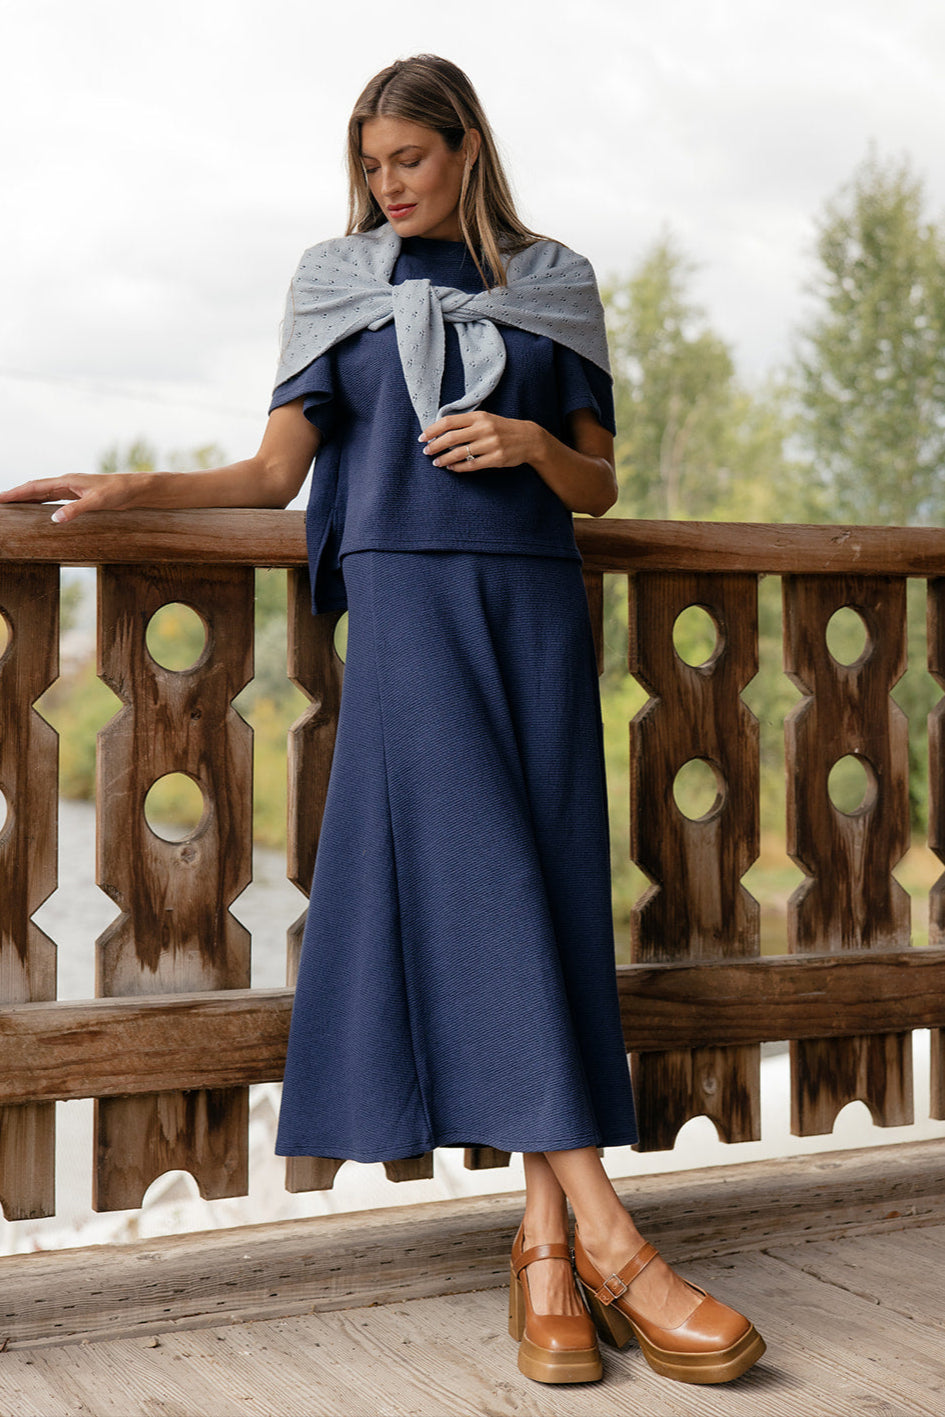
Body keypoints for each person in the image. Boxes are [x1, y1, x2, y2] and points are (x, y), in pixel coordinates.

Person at [0, 55, 764, 1388]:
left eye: (407, 158)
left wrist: (530, 447)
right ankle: (613, 1239)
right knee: (488, 884)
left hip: (532, 610)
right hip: (403, 611)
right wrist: (131, 486)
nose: (385, 184)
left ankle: (545, 1261)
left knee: (539, 894)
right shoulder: (335, 282)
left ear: (466, 150)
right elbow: (272, 472)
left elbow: (596, 480)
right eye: (369, 164)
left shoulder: (555, 280)